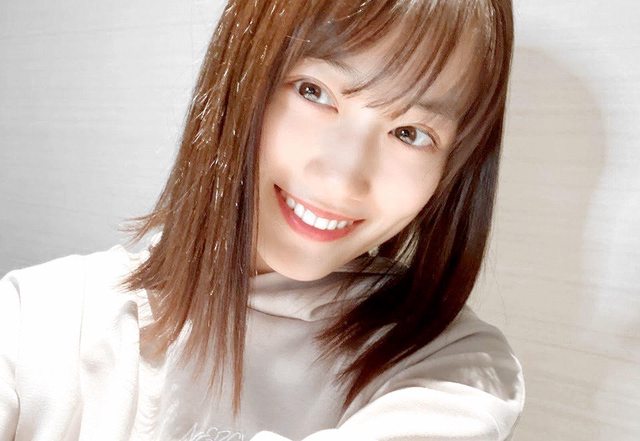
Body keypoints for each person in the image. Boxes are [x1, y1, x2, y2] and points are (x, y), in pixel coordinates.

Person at [0, 0, 525, 440]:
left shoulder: (451, 369)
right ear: (239, 79)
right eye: (314, 91)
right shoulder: (38, 318)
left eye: (410, 133)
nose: (342, 180)